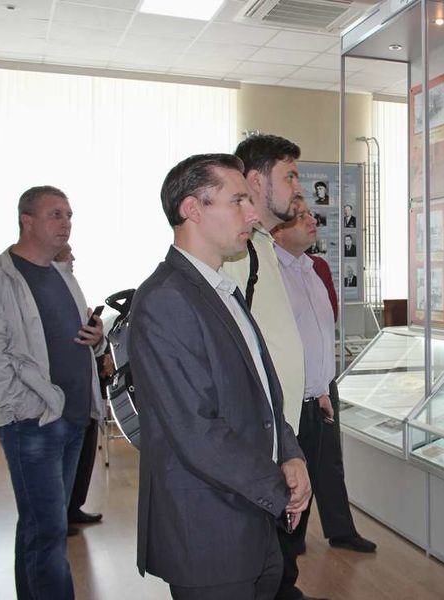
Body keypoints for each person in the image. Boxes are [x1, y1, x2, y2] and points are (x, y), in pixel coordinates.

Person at [128, 153, 311, 600]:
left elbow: (263, 393)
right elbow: (197, 431)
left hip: (251, 517)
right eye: (238, 201)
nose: (253, 215)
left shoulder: (221, 289)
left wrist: (291, 454)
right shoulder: (166, 299)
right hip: (209, 531)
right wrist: (279, 487)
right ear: (193, 209)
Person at [0, 185, 105, 599]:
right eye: (55, 214)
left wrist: (97, 338)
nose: (66, 223)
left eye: (69, 215)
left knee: (41, 528)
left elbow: (77, 339)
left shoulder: (62, 274)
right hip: (33, 423)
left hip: (73, 418)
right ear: (27, 220)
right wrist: (25, 411)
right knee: (48, 530)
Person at [223, 135, 325, 600]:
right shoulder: (237, 253)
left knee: (280, 545)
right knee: (260, 549)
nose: (297, 187)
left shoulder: (261, 245)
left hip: (281, 421)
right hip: (258, 429)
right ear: (256, 180)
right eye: (289, 176)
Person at [272, 201, 376, 556]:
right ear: (278, 231)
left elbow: (326, 321)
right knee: (293, 467)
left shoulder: (315, 268)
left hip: (321, 388)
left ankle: (340, 530)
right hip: (290, 392)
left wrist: (322, 388)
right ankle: (291, 542)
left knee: (328, 462)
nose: (311, 221)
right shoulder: (270, 272)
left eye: (309, 215)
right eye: (300, 217)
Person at [53, 243, 104, 536]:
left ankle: (73, 507)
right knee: (61, 461)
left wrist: (96, 335)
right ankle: (59, 515)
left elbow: (84, 337)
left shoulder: (71, 285)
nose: (73, 257)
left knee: (83, 452)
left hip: (83, 385)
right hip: (61, 391)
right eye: (67, 252)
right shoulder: (45, 287)